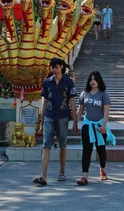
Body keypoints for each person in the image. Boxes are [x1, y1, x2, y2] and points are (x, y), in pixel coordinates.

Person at [33, 58, 78, 186]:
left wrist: (75, 121)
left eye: (56, 67)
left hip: (63, 117)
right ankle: (43, 176)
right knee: (46, 145)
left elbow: (72, 102)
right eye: (52, 67)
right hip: (49, 116)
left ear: (62, 67)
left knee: (62, 145)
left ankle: (62, 172)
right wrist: (41, 122)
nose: (54, 70)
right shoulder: (47, 82)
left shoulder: (68, 82)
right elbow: (44, 102)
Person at [76, 71, 115, 186]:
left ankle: (102, 169)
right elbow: (80, 110)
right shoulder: (85, 93)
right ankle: (85, 176)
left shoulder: (103, 94)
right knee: (86, 151)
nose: (92, 81)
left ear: (99, 81)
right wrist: (75, 123)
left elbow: (107, 111)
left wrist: (104, 126)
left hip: (99, 126)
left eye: (95, 79)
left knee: (100, 149)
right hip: (87, 125)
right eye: (91, 79)